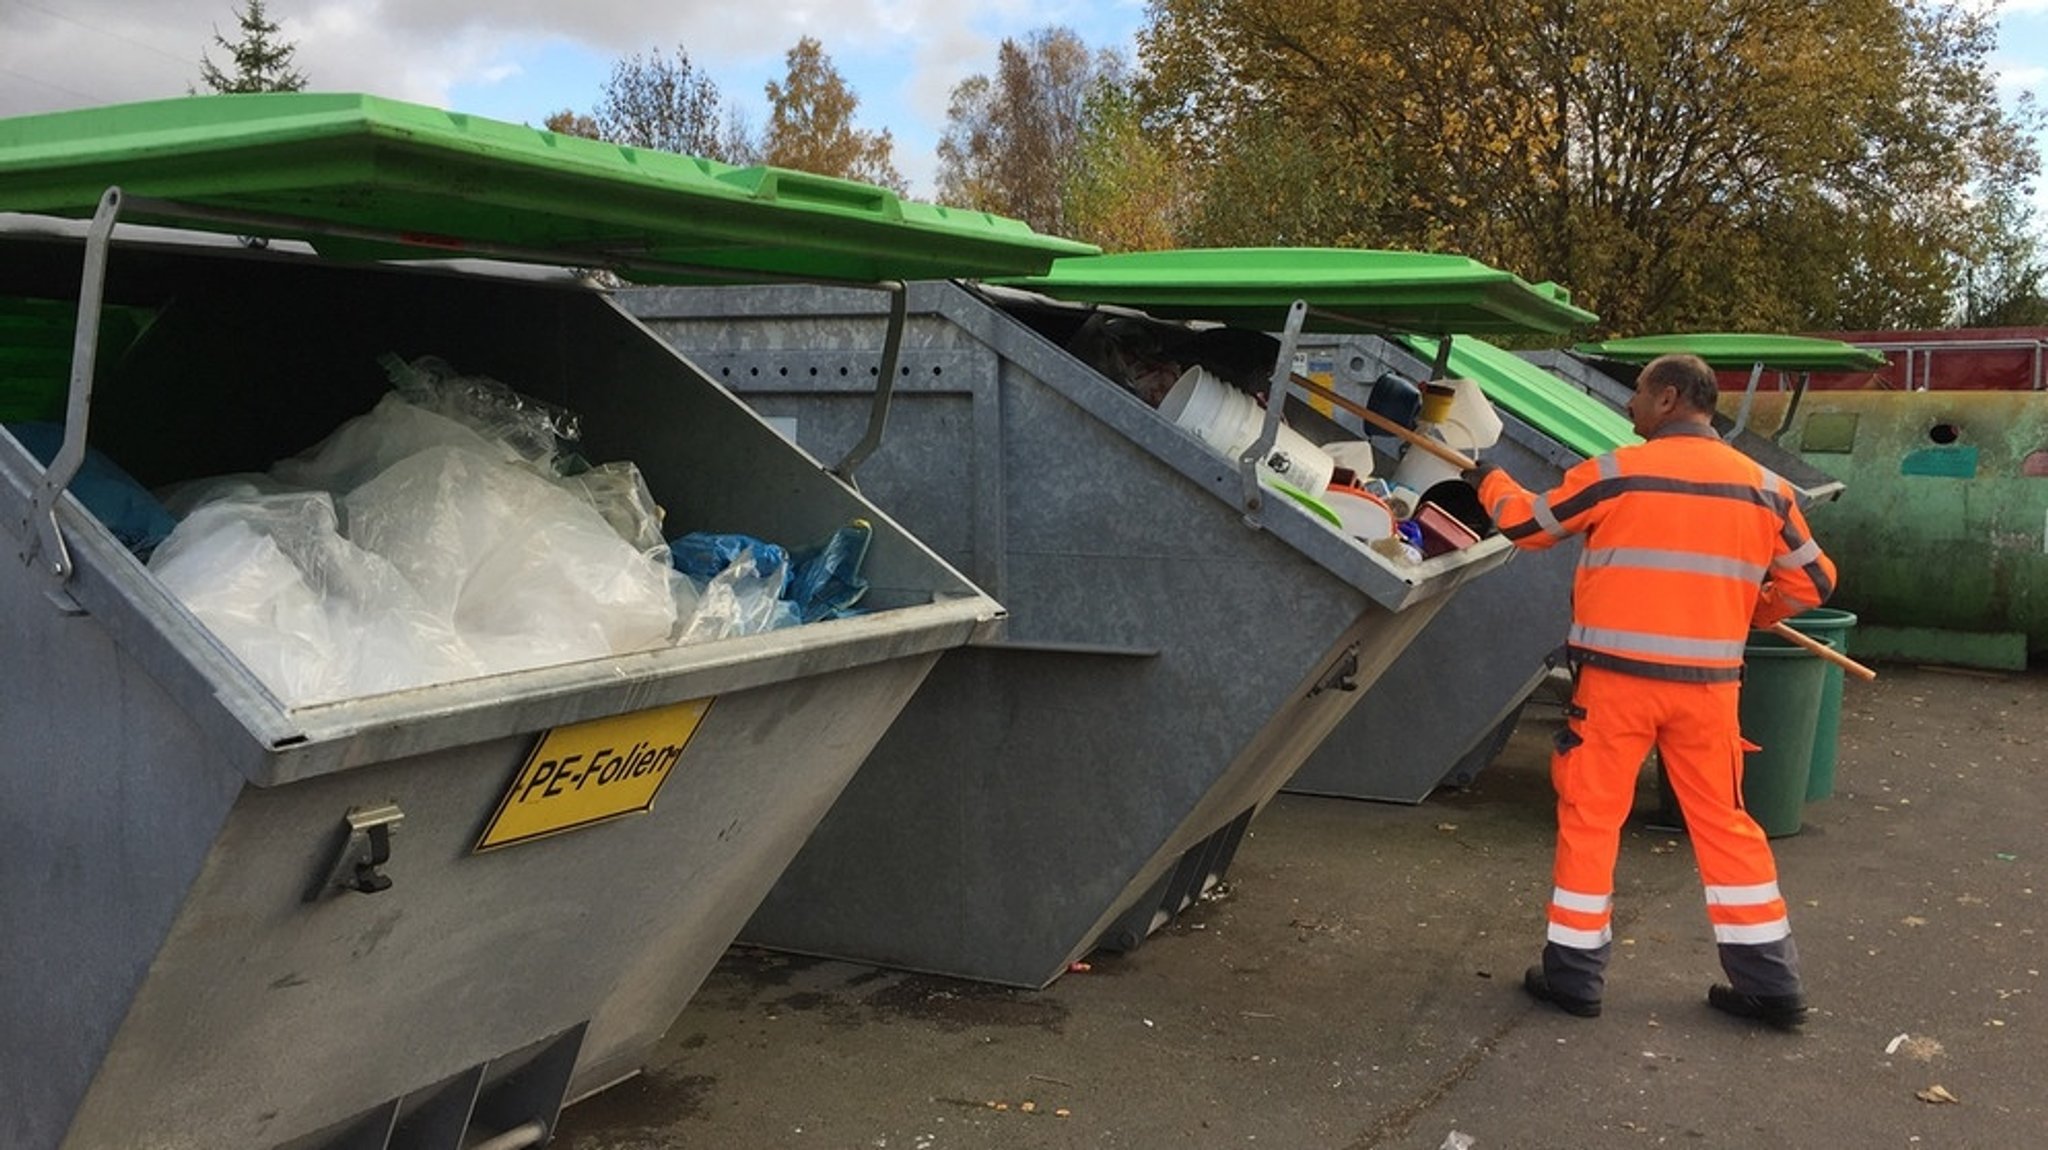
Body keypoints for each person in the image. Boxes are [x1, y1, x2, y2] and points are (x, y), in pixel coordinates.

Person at [1463, 352, 1836, 1029]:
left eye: (1637, 394)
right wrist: (1754, 609)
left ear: (1668, 398)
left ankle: (1574, 976)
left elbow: (1527, 525)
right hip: (1709, 692)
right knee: (1725, 826)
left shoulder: (1616, 473)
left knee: (1592, 817)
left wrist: (1487, 479)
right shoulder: (1766, 488)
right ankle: (1771, 985)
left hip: (1614, 689)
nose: (1629, 406)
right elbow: (1816, 583)